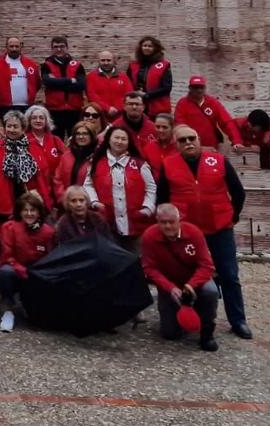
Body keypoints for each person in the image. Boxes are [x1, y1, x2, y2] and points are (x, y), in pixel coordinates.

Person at [156, 124, 251, 339]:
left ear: (199, 139)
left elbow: (238, 192)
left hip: (219, 229)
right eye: (182, 140)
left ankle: (238, 321)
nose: (188, 142)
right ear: (176, 144)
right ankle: (198, 317)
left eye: (192, 138)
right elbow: (162, 199)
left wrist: (232, 216)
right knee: (192, 276)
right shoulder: (168, 165)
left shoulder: (218, 160)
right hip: (188, 232)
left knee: (229, 276)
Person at [141, 204, 220, 351]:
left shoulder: (194, 233)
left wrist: (191, 285)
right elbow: (149, 268)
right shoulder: (149, 237)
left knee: (211, 291)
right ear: (157, 221)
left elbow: (206, 265)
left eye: (171, 222)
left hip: (195, 280)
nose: (168, 226)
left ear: (179, 220)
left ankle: (207, 330)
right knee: (170, 334)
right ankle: (185, 314)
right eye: (163, 222)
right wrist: (169, 287)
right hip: (169, 283)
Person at [0, 111, 54, 242]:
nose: (11, 129)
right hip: (4, 206)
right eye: (9, 126)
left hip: (29, 205)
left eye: (15, 126)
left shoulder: (33, 148)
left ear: (23, 129)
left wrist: (46, 202)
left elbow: (43, 177)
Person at [84, 126, 156, 253]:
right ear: (109, 140)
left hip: (136, 223)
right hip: (107, 221)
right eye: (116, 137)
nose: (119, 141)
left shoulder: (139, 164)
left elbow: (151, 187)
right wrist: (95, 202)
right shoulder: (96, 162)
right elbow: (88, 184)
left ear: (129, 142)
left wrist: (147, 208)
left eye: (123, 139)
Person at [0, 191, 55, 332]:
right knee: (5, 273)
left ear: (39, 212)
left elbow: (51, 258)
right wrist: (24, 271)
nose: (29, 214)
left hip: (37, 275)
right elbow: (6, 255)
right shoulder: (9, 227)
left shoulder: (48, 232)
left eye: (33, 210)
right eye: (25, 210)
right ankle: (8, 309)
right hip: (14, 269)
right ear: (20, 212)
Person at [174, 76, 243, 150]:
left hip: (211, 147)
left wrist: (237, 141)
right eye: (196, 87)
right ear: (190, 88)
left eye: (201, 87)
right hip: (190, 147)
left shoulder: (213, 102)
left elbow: (226, 122)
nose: (199, 90)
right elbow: (180, 125)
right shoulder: (182, 104)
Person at [40, 36, 86, 136]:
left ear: (67, 47)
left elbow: (81, 85)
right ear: (52, 49)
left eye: (62, 46)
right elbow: (48, 82)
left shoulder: (77, 65)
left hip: (74, 110)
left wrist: (57, 83)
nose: (59, 49)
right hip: (54, 110)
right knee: (56, 140)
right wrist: (71, 80)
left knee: (75, 139)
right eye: (56, 47)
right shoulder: (46, 65)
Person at [0, 36, 40, 115]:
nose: (14, 49)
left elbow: (37, 83)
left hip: (27, 107)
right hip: (5, 106)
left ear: (21, 47)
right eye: (11, 46)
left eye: (17, 46)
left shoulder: (31, 64)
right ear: (6, 47)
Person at [53, 122, 100, 206]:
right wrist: (64, 199)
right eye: (78, 134)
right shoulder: (66, 156)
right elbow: (57, 179)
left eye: (85, 134)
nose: (81, 137)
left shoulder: (98, 157)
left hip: (90, 205)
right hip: (67, 204)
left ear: (92, 136)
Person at [127, 35, 173, 118]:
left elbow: (167, 88)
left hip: (157, 107)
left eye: (150, 46)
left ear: (155, 48)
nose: (147, 48)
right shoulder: (133, 65)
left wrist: (147, 95)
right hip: (137, 105)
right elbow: (128, 84)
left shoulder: (164, 65)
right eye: (144, 46)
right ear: (140, 48)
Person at [111, 92, 159, 166]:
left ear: (143, 107)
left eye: (137, 104)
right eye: (130, 104)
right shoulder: (115, 127)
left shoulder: (153, 128)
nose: (134, 107)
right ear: (124, 106)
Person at [86, 50, 133, 121]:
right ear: (98, 61)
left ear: (114, 61)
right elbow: (92, 96)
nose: (106, 63)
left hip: (121, 117)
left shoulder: (124, 77)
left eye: (108, 60)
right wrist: (107, 108)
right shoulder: (91, 76)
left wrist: (117, 108)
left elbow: (129, 95)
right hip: (99, 116)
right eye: (103, 60)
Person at [24, 105, 65, 176]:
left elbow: (65, 161)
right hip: (34, 184)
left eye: (41, 118)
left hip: (55, 183)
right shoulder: (23, 141)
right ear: (29, 121)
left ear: (46, 121)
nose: (38, 120)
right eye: (34, 118)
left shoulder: (56, 140)